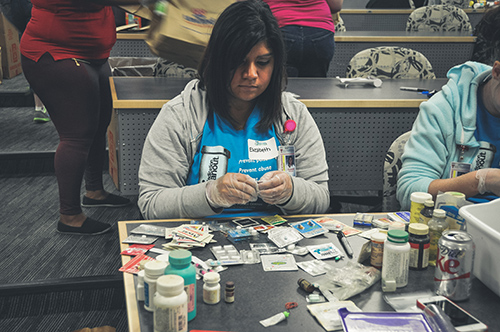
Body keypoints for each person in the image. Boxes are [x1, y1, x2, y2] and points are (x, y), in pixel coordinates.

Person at [138, 0, 330, 219]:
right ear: (218, 60)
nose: (251, 74)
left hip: (278, 243)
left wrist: (291, 191)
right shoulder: (180, 115)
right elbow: (151, 204)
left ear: (276, 64)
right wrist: (210, 194)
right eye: (239, 62)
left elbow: (321, 197)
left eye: (263, 62)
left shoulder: (293, 114)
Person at [20, 0, 140, 235]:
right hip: (55, 52)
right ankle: (70, 215)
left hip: (94, 55)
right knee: (76, 135)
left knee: (98, 124)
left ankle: (94, 191)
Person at [396, 59, 500, 210]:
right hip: (450, 222)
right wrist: (483, 180)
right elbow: (410, 191)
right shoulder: (442, 109)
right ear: (497, 71)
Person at [263, 0, 343, 77]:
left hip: (280, 24)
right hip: (319, 29)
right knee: (315, 88)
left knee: (280, 86)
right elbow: (336, 5)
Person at [0, 0, 49, 123]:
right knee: (36, 45)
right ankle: (39, 105)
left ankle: (33, 80)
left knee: (27, 39)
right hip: (30, 3)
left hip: (8, 4)